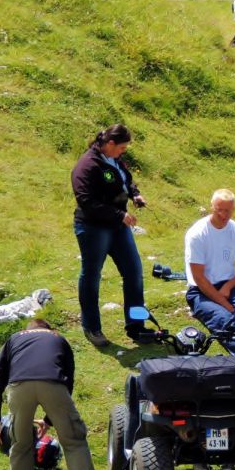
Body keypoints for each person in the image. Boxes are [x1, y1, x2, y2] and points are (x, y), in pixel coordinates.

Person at [0, 319, 121, 470]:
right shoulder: (59, 338)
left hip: (18, 387)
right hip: (54, 384)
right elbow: (68, 380)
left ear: (27, 330)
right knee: (73, 440)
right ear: (49, 329)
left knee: (20, 446)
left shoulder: (13, 339)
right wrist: (49, 420)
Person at [71, 124, 148, 347]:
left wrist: (135, 194)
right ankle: (92, 327)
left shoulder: (113, 159)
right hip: (94, 227)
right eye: (122, 147)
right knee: (92, 275)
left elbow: (125, 178)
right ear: (110, 143)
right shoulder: (86, 166)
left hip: (118, 226)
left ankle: (137, 326)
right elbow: (86, 201)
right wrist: (118, 214)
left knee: (134, 272)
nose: (124, 151)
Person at [184, 189, 235, 353]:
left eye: (227, 210)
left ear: (233, 209)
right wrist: (224, 302)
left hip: (231, 285)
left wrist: (228, 287)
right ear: (212, 207)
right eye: (219, 209)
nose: (223, 214)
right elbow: (198, 277)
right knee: (224, 318)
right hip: (200, 290)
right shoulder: (197, 233)